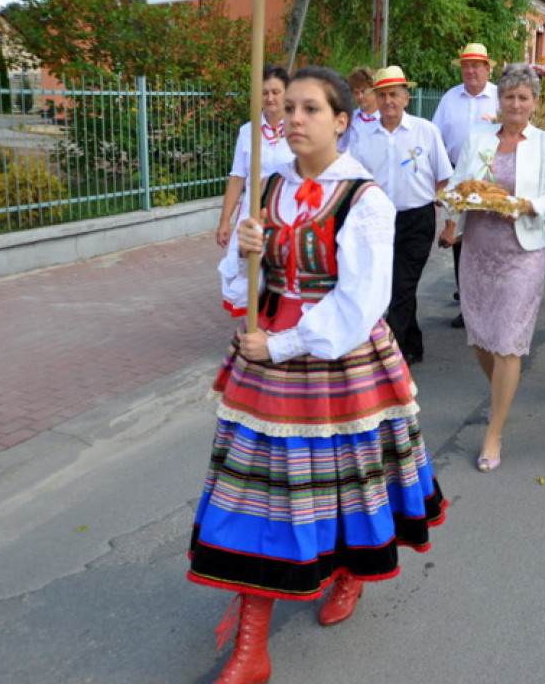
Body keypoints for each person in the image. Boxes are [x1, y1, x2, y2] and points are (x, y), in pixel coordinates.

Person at [190, 66, 446, 684]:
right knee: (260, 495)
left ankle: (350, 573)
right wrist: (246, 254)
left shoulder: (367, 200)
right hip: (267, 363)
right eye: (291, 108)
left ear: (340, 121)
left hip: (339, 359)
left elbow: (360, 303)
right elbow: (236, 285)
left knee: (347, 483)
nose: (294, 118)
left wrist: (283, 345)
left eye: (311, 108)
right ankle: (252, 645)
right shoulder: (269, 189)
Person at [437, 63, 545, 472]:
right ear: (500, 100)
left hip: (521, 251)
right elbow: (460, 187)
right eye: (509, 96)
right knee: (480, 336)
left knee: (508, 341)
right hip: (478, 250)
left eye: (523, 97)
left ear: (534, 103)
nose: (515, 103)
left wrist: (527, 205)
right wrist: (452, 215)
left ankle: (494, 430)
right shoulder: (479, 139)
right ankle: (501, 395)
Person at [350, 66, 453, 364]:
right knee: (392, 285)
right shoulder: (363, 136)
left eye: (394, 94)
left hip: (417, 220)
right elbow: (354, 184)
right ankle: (413, 345)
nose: (388, 101)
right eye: (382, 95)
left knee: (401, 286)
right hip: (378, 223)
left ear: (406, 97)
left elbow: (444, 181)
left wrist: (450, 224)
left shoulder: (426, 131)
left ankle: (391, 356)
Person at [216, 66, 296, 317]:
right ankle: (255, 328)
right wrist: (224, 220)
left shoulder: (298, 128)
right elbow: (238, 177)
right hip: (252, 215)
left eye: (275, 92)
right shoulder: (247, 132)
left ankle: (280, 326)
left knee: (284, 272)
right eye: (264, 93)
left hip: (288, 213)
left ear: (286, 94)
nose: (270, 98)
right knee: (249, 272)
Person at [433, 43, 501, 329]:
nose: (471, 70)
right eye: (466, 65)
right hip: (457, 180)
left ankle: (493, 304)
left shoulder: (500, 97)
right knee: (461, 246)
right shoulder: (450, 98)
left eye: (477, 65)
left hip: (493, 181)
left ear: (488, 68)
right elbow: (435, 140)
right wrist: (441, 185)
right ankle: (468, 307)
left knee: (492, 245)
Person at [337, 65, 379, 152]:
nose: (360, 96)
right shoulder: (350, 119)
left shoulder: (385, 119)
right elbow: (340, 147)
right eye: (356, 93)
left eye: (364, 92)